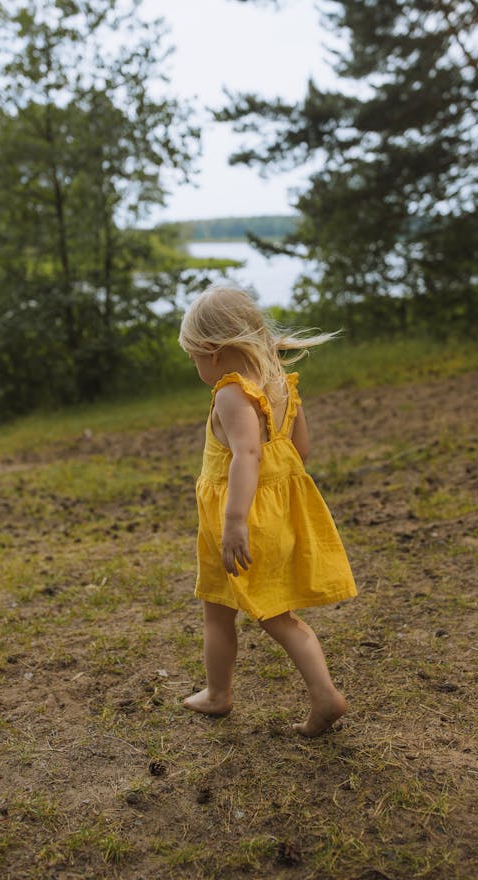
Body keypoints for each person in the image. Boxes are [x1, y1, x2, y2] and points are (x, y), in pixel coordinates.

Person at [178, 285, 357, 737]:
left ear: (214, 353)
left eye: (195, 357)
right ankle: (217, 693)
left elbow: (246, 456)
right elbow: (300, 450)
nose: (197, 367)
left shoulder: (231, 394)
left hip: (240, 521)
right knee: (222, 606)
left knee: (262, 616)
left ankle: (323, 695)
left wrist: (236, 521)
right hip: (273, 512)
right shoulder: (277, 382)